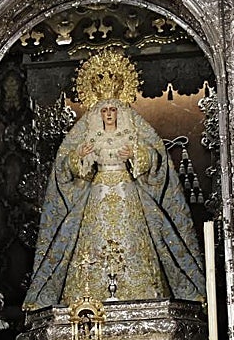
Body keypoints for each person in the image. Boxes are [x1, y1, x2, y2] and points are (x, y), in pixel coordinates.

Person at [23, 98, 206, 311]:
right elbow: (66, 166)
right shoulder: (89, 135)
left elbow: (155, 157)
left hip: (127, 192)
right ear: (98, 115)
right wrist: (79, 157)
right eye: (105, 111)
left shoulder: (131, 132)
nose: (109, 114)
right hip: (98, 192)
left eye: (112, 110)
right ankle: (87, 298)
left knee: (134, 239)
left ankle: (142, 297)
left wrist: (136, 155)